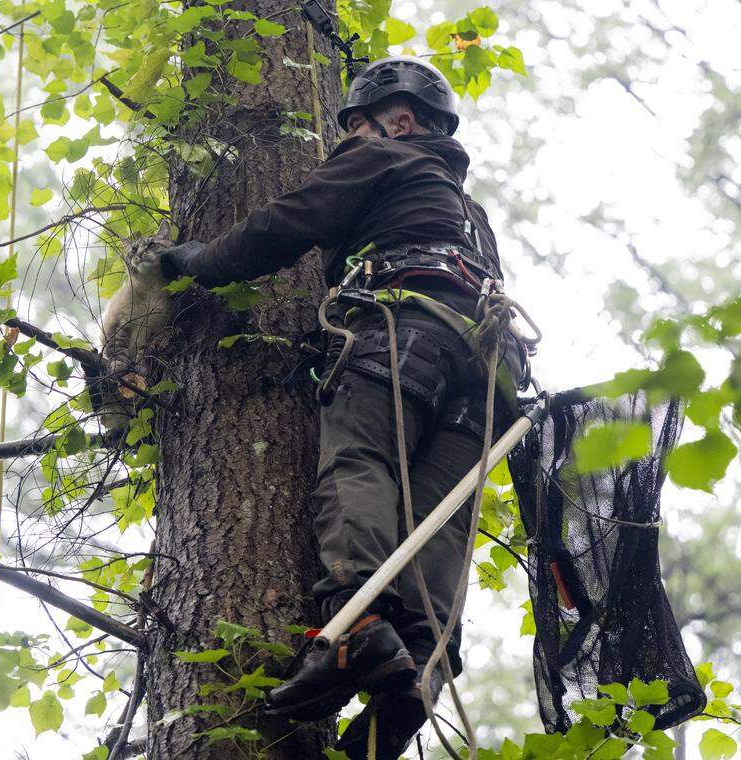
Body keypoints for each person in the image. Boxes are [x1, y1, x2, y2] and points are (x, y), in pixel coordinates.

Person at [156, 56, 523, 757]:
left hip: (403, 336)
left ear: (400, 120)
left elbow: (286, 223)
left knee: (363, 460)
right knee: (436, 527)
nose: (349, 140)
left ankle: (358, 629)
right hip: (491, 383)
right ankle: (416, 670)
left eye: (353, 127)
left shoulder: (383, 155)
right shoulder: (471, 216)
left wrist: (193, 262)